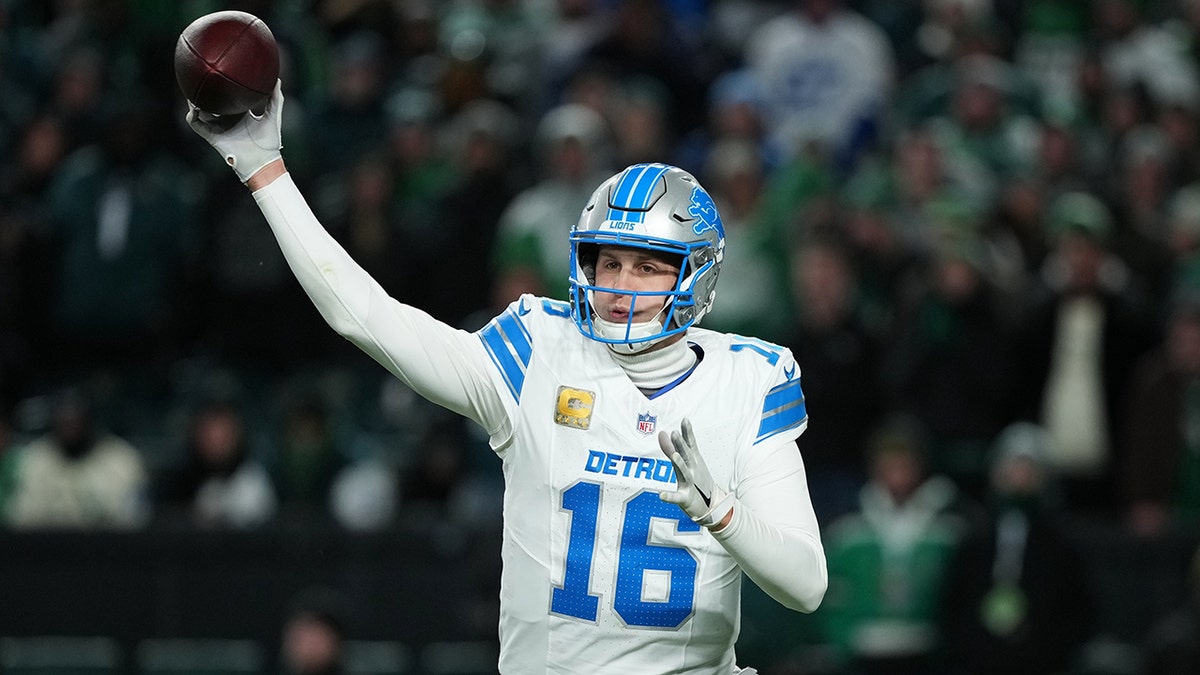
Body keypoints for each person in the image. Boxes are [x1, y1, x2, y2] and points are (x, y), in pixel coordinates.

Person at [185, 83, 827, 674]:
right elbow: (367, 318)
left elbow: (805, 585)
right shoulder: (537, 351)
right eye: (609, 263)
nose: (622, 288)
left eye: (647, 268)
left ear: (697, 276)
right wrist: (264, 172)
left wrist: (722, 512)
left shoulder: (748, 381)